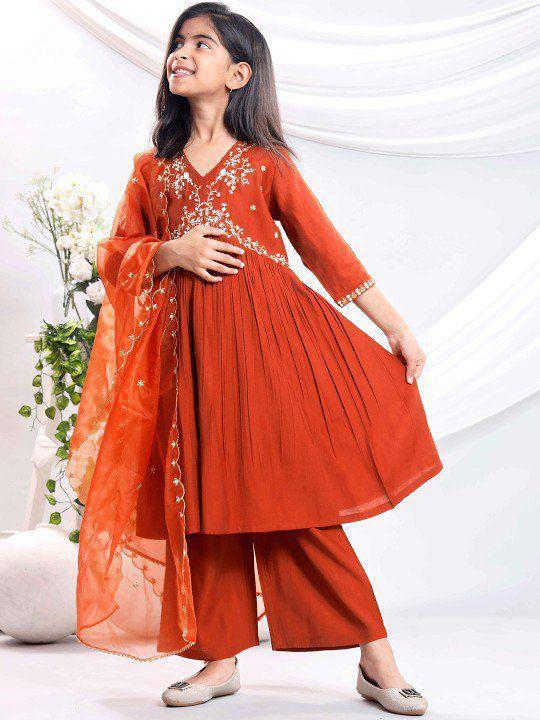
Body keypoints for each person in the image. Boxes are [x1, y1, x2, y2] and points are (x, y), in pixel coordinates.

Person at [67, 3, 443, 715]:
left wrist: (396, 327)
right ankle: (219, 660)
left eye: (200, 44)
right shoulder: (152, 170)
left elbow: (328, 253)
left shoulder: (266, 164)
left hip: (271, 355)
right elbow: (114, 257)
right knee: (205, 505)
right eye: (178, 42)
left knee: (296, 501)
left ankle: (377, 659)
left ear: (239, 74)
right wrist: (168, 252)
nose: (181, 53)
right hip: (190, 363)